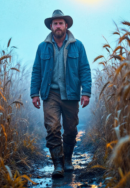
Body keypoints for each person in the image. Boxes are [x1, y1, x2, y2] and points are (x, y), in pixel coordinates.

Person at [30, 10, 91, 178]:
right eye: (55, 23)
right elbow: (37, 70)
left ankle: (68, 160)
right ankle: (58, 164)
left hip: (70, 94)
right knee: (52, 127)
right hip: (50, 94)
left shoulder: (77, 45)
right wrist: (34, 93)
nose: (58, 26)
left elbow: (84, 69)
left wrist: (86, 92)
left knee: (70, 129)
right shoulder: (43, 47)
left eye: (61, 23)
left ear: (66, 26)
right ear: (51, 26)